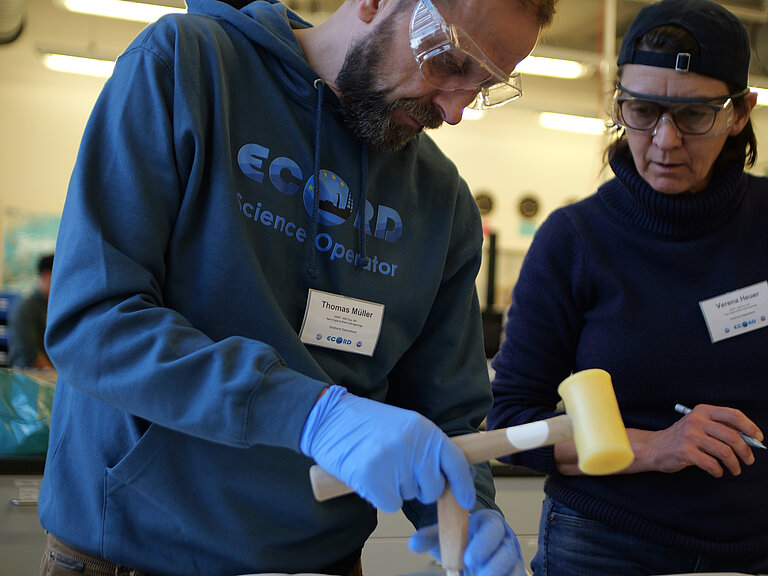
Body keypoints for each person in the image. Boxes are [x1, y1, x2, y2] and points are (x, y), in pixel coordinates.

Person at [38, 0, 558, 575]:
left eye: (483, 86)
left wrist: (464, 510)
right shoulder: (189, 68)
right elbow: (95, 323)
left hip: (321, 563)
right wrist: (313, 415)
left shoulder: (441, 202)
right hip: (136, 554)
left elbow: (444, 413)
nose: (455, 110)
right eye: (449, 62)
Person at [487, 0, 768, 574]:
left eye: (693, 116)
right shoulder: (575, 240)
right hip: (606, 543)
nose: (664, 141)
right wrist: (651, 447)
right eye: (641, 110)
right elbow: (514, 419)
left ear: (740, 112)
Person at [8, 253, 55, 370]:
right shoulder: (26, 307)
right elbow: (30, 355)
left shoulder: (49, 305)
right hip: (27, 377)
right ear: (46, 275)